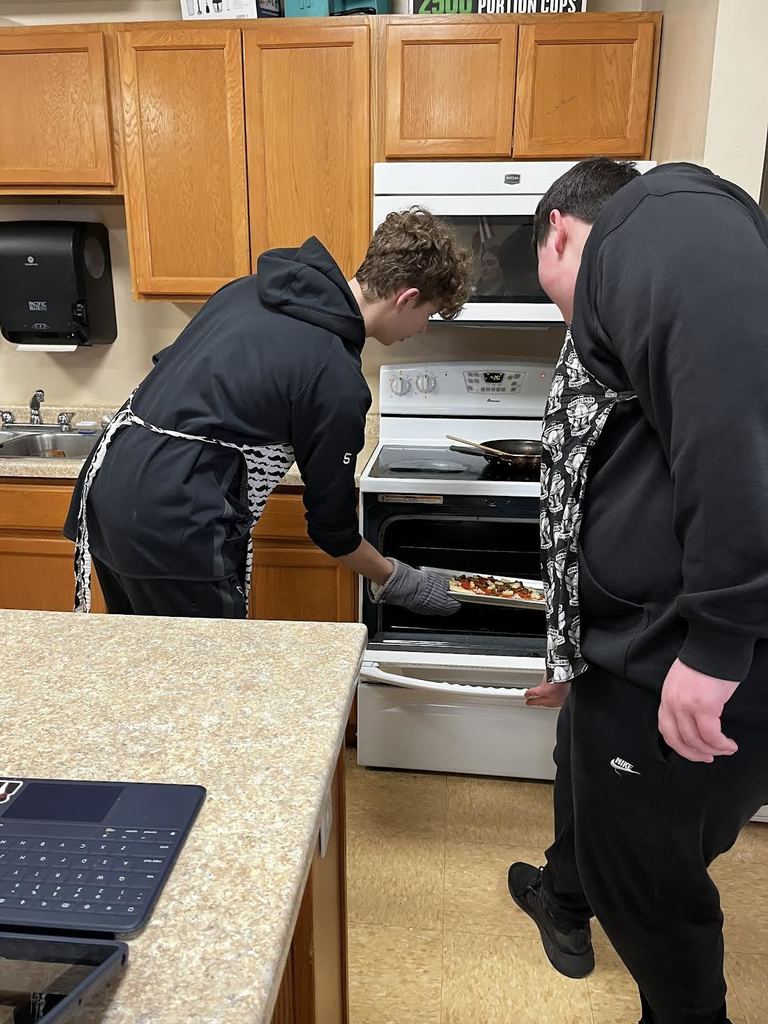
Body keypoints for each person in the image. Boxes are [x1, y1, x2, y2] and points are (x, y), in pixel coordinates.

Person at [505, 159, 768, 1024]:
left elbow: (737, 422)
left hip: (682, 649)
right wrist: (571, 648)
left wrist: (719, 638)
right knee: (591, 788)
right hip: (627, 646)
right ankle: (564, 894)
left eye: (548, 293)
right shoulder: (641, 259)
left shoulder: (661, 221)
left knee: (652, 883)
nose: (560, 316)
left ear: (557, 232)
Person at [63, 208, 472, 618]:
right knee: (206, 673)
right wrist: (400, 579)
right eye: (429, 315)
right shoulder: (334, 375)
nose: (422, 329)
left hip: (107, 489)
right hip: (174, 522)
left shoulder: (250, 289)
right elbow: (333, 530)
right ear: (407, 298)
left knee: (150, 663)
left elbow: (177, 370)